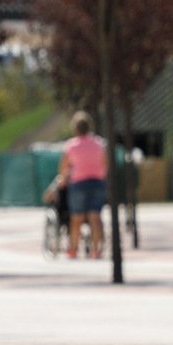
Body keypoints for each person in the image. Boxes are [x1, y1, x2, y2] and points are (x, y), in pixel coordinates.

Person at [52, 111, 108, 259]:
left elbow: (63, 168)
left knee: (76, 218)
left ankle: (73, 249)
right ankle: (96, 250)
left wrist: (63, 180)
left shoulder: (71, 146)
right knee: (95, 216)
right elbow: (105, 165)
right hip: (97, 182)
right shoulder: (99, 144)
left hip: (78, 183)